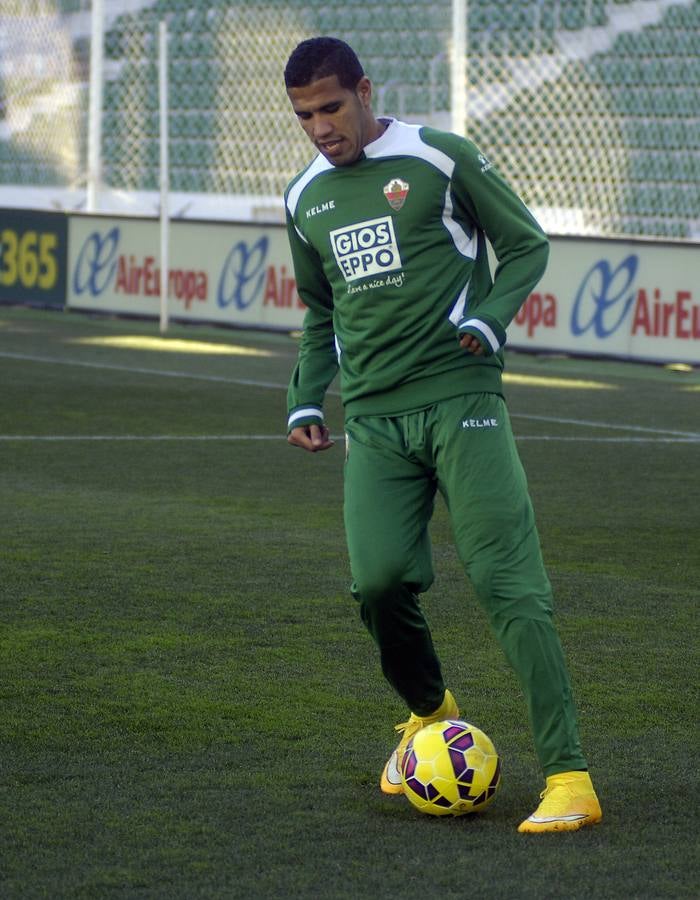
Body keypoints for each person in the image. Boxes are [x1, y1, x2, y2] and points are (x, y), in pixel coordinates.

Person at [282, 36, 602, 833]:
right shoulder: (305, 198)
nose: (320, 127)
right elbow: (322, 312)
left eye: (330, 107)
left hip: (462, 396)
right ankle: (431, 713)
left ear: (363, 90)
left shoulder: (437, 155)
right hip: (375, 419)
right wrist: (305, 398)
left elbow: (525, 242)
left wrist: (490, 320)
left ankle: (569, 778)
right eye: (304, 115)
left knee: (507, 583)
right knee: (378, 584)